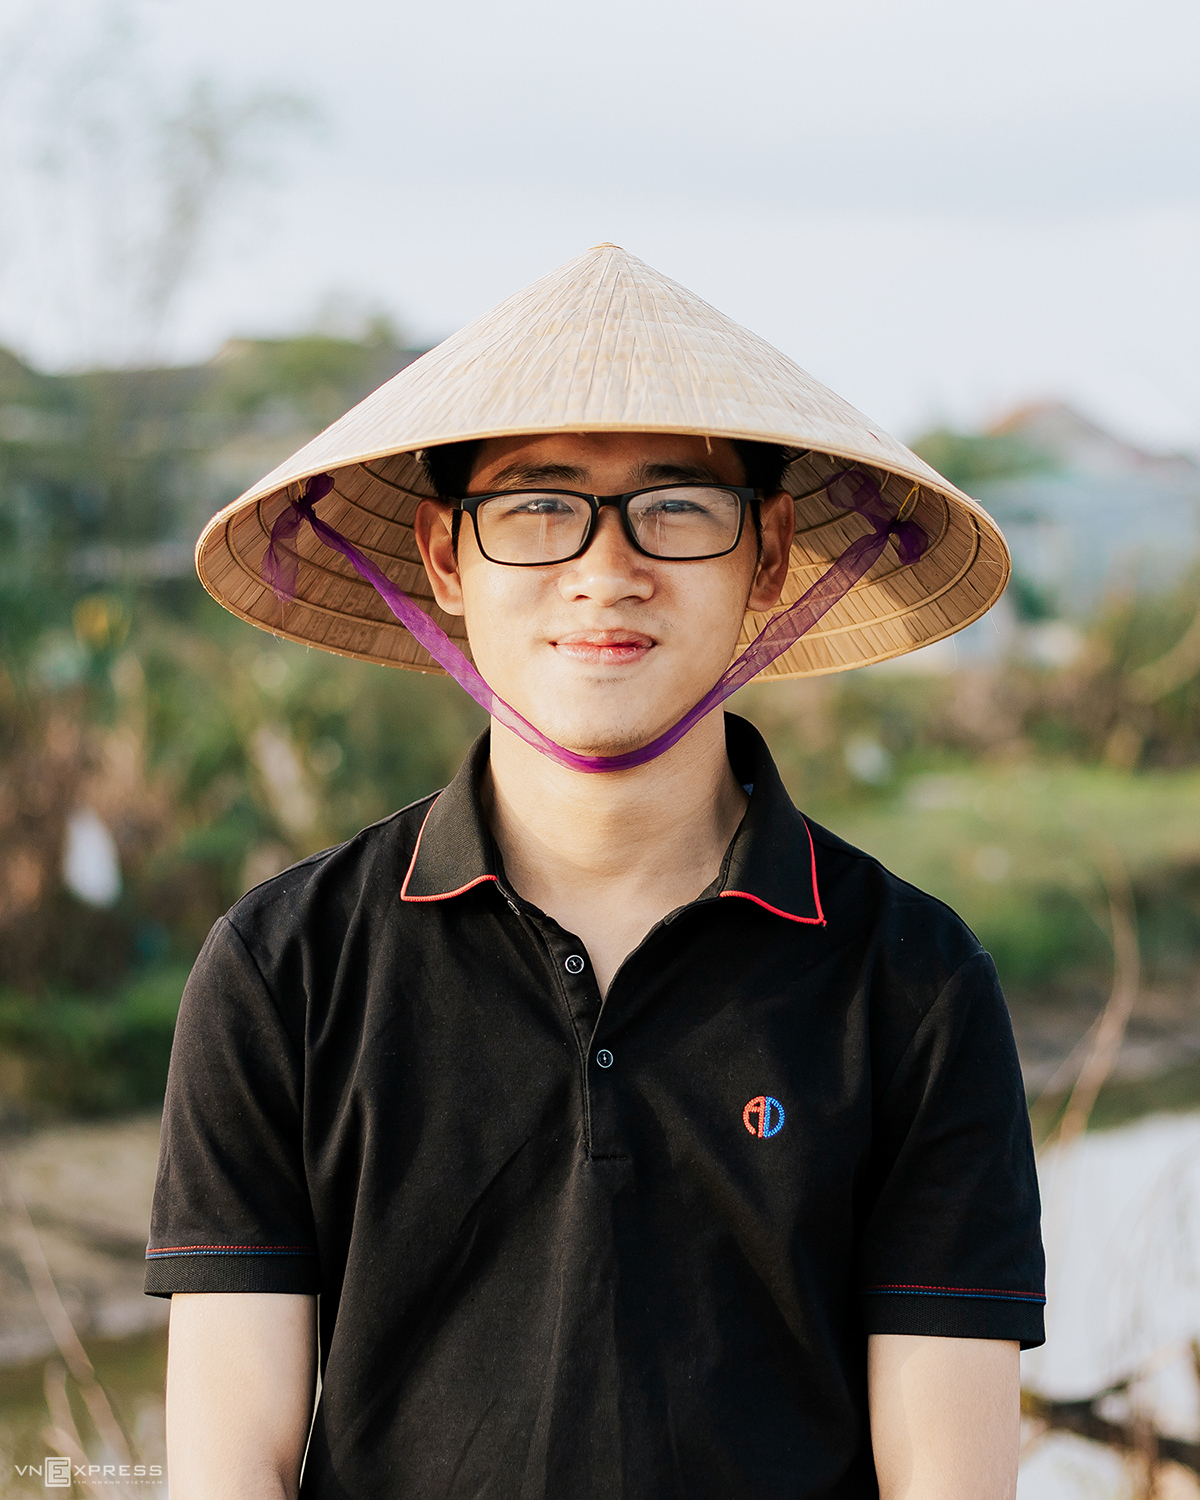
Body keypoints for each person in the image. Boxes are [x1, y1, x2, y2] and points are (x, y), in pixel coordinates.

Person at [152, 245, 1043, 1500]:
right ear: (447, 558)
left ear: (769, 553)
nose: (606, 568)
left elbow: (948, 1479)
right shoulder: (283, 969)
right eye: (536, 506)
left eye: (678, 506)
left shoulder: (913, 981)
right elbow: (229, 1466)